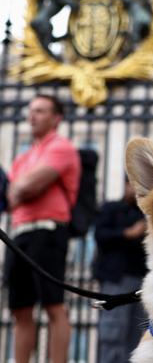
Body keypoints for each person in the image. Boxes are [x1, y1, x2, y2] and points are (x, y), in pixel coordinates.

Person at [4, 94, 81, 363]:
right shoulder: (23, 157)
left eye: (40, 111)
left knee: (53, 305)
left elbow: (25, 187)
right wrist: (17, 190)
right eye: (31, 110)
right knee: (20, 309)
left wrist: (17, 188)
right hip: (19, 233)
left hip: (48, 232)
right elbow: (10, 199)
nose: (32, 116)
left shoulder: (61, 147)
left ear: (56, 118)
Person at [93, 177, 148, 363]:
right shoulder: (112, 208)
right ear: (126, 185)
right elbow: (100, 235)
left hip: (141, 282)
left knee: (135, 334)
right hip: (116, 278)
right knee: (113, 331)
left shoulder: (146, 215)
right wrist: (128, 233)